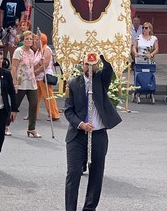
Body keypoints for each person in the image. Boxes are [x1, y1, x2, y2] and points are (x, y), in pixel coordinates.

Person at [64, 54, 122, 211]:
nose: (89, 67)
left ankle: (89, 208)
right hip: (77, 136)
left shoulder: (101, 81)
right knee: (74, 173)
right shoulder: (73, 84)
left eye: (93, 64)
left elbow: (109, 68)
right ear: (81, 65)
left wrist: (102, 55)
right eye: (86, 64)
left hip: (98, 135)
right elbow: (68, 111)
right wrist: (80, 124)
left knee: (96, 174)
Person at [11, 30, 41, 138]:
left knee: (34, 103)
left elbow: (32, 66)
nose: (29, 41)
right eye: (27, 39)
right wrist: (13, 80)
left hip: (31, 81)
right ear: (23, 40)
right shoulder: (18, 51)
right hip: (20, 81)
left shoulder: (32, 52)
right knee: (15, 105)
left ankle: (31, 128)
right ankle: (5, 125)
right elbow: (14, 67)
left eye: (31, 39)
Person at [34, 32, 60, 121]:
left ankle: (54, 114)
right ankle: (34, 114)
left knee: (48, 96)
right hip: (37, 77)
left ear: (42, 41)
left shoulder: (47, 49)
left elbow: (45, 63)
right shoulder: (38, 51)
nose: (35, 42)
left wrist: (36, 71)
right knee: (35, 97)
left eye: (37, 40)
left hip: (44, 77)